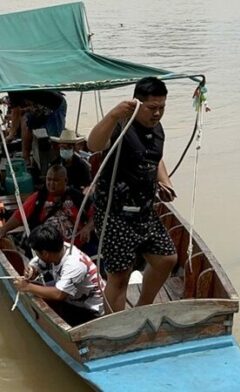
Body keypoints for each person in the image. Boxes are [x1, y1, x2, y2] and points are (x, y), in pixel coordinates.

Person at [87, 76, 177, 313]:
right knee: (119, 276)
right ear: (137, 104)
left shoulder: (156, 130)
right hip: (115, 214)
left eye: (162, 108)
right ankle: (115, 327)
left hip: (145, 212)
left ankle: (142, 308)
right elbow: (93, 144)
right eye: (151, 108)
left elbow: (155, 159)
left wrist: (165, 183)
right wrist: (113, 115)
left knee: (166, 259)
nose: (157, 114)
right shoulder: (121, 126)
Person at [13, 224, 104, 326]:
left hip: (90, 311)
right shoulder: (59, 248)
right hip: (73, 298)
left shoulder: (74, 264)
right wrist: (32, 269)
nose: (37, 255)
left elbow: (59, 294)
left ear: (45, 253)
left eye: (37, 252)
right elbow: (38, 263)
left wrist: (27, 287)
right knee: (41, 291)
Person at [0, 165, 94, 248]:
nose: (51, 184)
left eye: (56, 180)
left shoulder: (77, 197)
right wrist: (4, 229)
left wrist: (88, 228)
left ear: (65, 181)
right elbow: (20, 216)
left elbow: (95, 215)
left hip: (74, 249)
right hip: (45, 250)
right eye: (49, 179)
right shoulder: (38, 198)